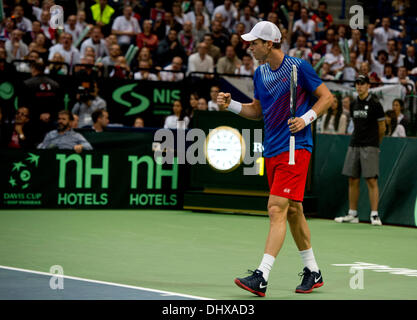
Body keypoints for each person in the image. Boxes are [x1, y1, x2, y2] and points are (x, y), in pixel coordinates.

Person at [217, 21, 332, 296]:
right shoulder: (259, 74)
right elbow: (258, 111)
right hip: (272, 150)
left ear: (269, 44)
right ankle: (313, 271)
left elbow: (327, 98)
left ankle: (262, 275)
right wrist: (230, 105)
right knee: (293, 211)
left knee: (276, 208)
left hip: (296, 148)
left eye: (254, 42)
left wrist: (305, 119)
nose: (250, 46)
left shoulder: (298, 67)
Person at [336, 75, 386, 226]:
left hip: (370, 145)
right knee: (352, 178)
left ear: (368, 86)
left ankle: (374, 215)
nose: (359, 86)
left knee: (371, 179)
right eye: (357, 84)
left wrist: (376, 144)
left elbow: (382, 128)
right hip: (354, 144)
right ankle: (353, 214)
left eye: (362, 84)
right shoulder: (354, 104)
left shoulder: (376, 104)